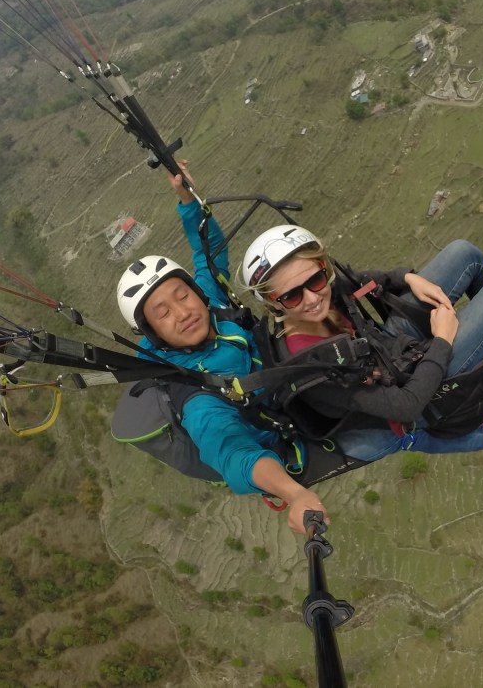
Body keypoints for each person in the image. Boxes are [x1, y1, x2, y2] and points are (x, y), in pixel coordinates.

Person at [116, 165, 335, 533]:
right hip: (294, 429)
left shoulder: (209, 304)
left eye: (182, 294)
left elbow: (208, 255)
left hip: (288, 371)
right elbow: (232, 453)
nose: (183, 312)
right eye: (163, 313)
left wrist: (187, 200)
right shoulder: (194, 394)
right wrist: (294, 495)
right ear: (153, 334)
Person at [240, 225, 483, 463]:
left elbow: (363, 280)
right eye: (291, 295)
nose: (312, 298)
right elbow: (406, 406)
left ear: (322, 267)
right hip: (407, 395)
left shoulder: (321, 291)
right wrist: (442, 339)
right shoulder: (312, 367)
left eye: (315, 279)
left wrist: (406, 277)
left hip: (391, 352)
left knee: (464, 253)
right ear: (271, 302)